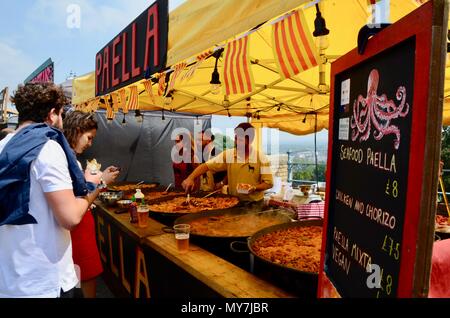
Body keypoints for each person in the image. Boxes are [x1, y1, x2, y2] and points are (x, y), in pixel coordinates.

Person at [0, 83, 103, 298]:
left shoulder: (2, 146)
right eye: (62, 114)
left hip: (10, 280)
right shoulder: (48, 147)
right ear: (52, 114)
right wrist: (93, 185)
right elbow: (71, 217)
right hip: (45, 281)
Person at [63, 110, 119, 298]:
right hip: (77, 233)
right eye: (89, 137)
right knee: (86, 282)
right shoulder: (66, 160)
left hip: (77, 232)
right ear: (77, 130)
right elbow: (76, 204)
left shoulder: (66, 156)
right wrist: (102, 182)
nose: (90, 143)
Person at [182, 123, 273, 202]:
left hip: (254, 203)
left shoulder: (261, 158)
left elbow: (269, 183)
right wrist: (191, 178)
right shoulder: (229, 154)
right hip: (234, 201)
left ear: (250, 140)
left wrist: (254, 188)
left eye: (240, 140)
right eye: (236, 138)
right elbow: (206, 166)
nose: (237, 142)